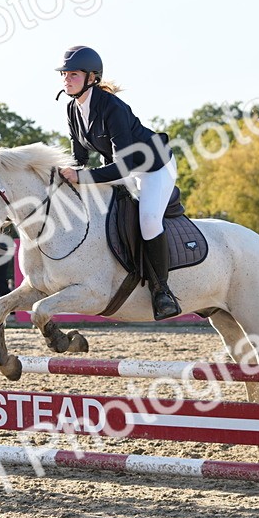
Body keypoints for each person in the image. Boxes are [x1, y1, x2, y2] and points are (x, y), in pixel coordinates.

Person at [54, 45, 182, 319]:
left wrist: (82, 177)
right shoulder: (72, 109)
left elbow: (122, 168)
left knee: (148, 220)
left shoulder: (112, 107)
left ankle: (162, 291)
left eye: (73, 74)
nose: (66, 79)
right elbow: (80, 158)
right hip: (119, 168)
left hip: (153, 166)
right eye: (64, 74)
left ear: (92, 77)